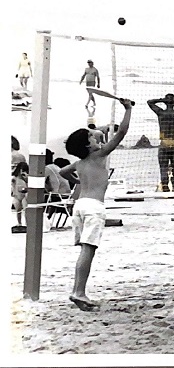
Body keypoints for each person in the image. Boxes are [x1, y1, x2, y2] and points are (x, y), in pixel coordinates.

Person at [59, 97, 132, 310]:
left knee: (85, 249)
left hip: (79, 205)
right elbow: (121, 133)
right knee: (88, 250)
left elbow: (64, 172)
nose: (95, 135)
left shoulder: (80, 162)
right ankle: (79, 292)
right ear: (88, 145)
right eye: (91, 136)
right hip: (93, 207)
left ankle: (78, 290)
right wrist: (127, 109)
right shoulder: (99, 155)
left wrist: (78, 182)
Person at [147, 93, 174, 193]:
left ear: (165, 102)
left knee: (163, 167)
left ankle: (165, 186)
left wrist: (161, 100)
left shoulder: (161, 113)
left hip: (164, 142)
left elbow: (149, 102)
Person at [11, 162, 29, 228]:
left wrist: (26, 177)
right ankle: (19, 223)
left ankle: (27, 223)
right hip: (16, 194)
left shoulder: (25, 178)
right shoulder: (15, 178)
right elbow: (13, 186)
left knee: (25, 210)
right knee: (18, 210)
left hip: (24, 195)